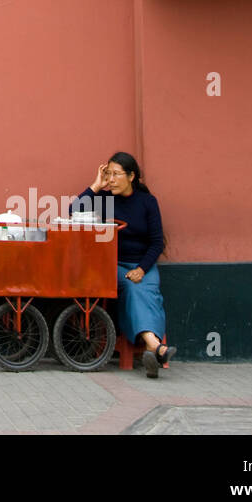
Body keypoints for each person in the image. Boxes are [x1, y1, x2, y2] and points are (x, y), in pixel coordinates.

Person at [72, 151, 174, 378]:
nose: (111, 179)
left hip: (143, 264)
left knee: (148, 291)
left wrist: (141, 269)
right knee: (132, 288)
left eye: (116, 174)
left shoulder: (148, 202)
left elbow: (157, 243)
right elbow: (73, 211)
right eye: (108, 174)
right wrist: (96, 185)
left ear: (131, 176)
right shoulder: (106, 201)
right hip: (114, 266)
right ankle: (155, 346)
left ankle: (151, 347)